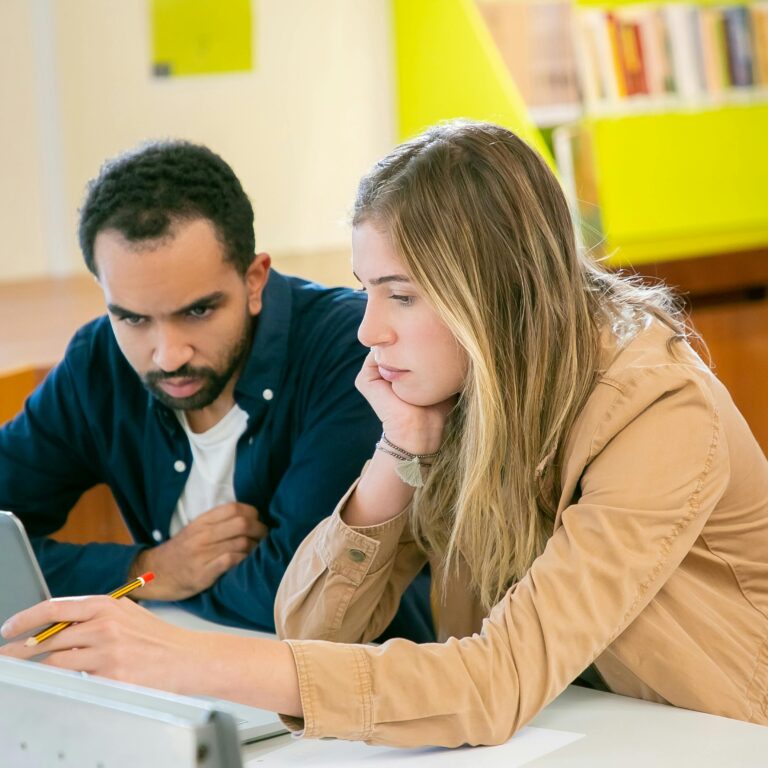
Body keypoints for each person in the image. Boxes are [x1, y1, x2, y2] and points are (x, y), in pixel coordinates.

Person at [3, 121, 767, 747]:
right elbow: (311, 629)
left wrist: (187, 659)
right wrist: (399, 451)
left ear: (492, 297)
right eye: (368, 290)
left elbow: (495, 679)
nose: (368, 329)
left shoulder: (658, 413)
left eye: (399, 296)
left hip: (711, 737)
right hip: (576, 732)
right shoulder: (460, 388)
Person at [0, 139, 433, 641]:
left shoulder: (349, 352)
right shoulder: (98, 361)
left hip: (351, 692)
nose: (168, 355)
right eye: (133, 318)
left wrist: (164, 585)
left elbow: (301, 598)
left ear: (254, 280)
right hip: (182, 676)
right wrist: (148, 570)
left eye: (197, 311)